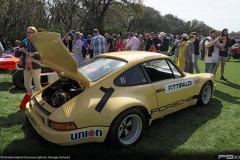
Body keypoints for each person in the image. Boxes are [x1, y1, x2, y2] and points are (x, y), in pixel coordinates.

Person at [18, 26, 42, 96]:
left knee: (37, 86)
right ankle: (32, 97)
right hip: (26, 67)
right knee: (27, 85)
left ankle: (42, 100)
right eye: (27, 32)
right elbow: (17, 54)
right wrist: (19, 50)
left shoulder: (38, 42)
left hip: (35, 66)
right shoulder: (24, 42)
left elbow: (42, 54)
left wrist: (33, 54)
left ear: (34, 33)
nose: (28, 34)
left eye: (30, 32)